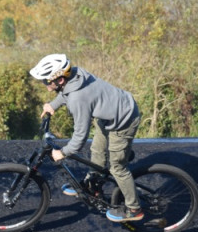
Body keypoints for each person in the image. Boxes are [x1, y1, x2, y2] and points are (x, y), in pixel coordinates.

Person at [29, 53, 143, 222]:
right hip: (110, 114)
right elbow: (65, 93)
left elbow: (80, 136)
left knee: (117, 167)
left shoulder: (78, 99)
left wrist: (63, 152)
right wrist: (53, 105)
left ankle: (134, 209)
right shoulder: (75, 74)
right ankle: (94, 184)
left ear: (60, 79)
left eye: (47, 81)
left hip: (124, 120)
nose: (45, 85)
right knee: (97, 149)